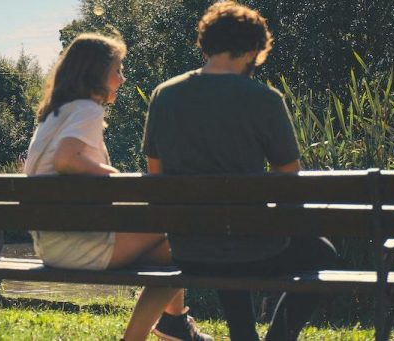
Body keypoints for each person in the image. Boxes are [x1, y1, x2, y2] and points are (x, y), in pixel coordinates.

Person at [141, 2, 337, 340]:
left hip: (187, 250)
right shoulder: (265, 99)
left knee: (226, 235)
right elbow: (289, 180)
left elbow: (156, 175)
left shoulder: (164, 95)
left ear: (206, 44)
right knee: (322, 253)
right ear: (252, 50)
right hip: (252, 249)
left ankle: (244, 334)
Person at [23, 33, 210, 341]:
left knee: (171, 250)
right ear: (96, 72)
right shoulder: (87, 109)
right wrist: (115, 176)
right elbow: (66, 159)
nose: (122, 79)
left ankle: (174, 323)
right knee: (191, 240)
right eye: (117, 70)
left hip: (52, 244)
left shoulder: (54, 115)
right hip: (79, 245)